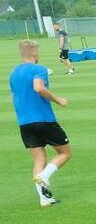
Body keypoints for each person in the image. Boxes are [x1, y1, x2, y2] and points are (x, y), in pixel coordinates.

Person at [9, 40, 71, 207]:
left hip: (24, 122)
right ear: (35, 54)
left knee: (39, 159)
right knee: (65, 153)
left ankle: (44, 199)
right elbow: (38, 88)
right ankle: (44, 176)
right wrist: (59, 101)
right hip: (43, 119)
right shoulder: (38, 69)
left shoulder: (14, 73)